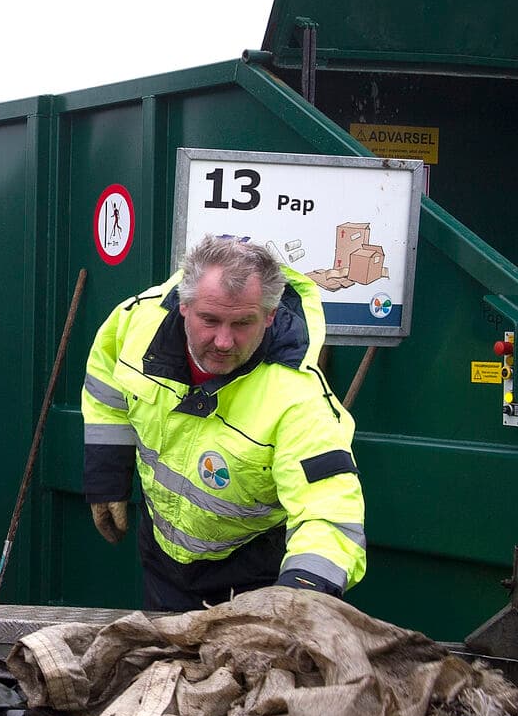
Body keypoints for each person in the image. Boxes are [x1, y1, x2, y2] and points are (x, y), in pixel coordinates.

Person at [81, 234, 366, 611]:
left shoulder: (299, 399)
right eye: (209, 320)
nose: (224, 341)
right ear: (184, 306)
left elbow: (329, 512)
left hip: (251, 577)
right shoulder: (138, 322)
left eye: (243, 323)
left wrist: (300, 597)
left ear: (270, 315)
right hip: (162, 558)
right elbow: (106, 386)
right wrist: (107, 476)